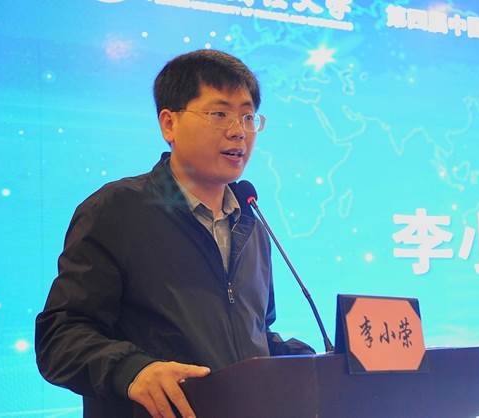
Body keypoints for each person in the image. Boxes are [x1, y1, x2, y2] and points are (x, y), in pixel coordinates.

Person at [35, 49, 313, 418]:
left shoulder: (251, 223)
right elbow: (60, 336)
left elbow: (252, 335)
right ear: (169, 124)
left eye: (248, 117)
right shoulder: (116, 211)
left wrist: (311, 363)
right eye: (219, 114)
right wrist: (132, 371)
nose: (238, 131)